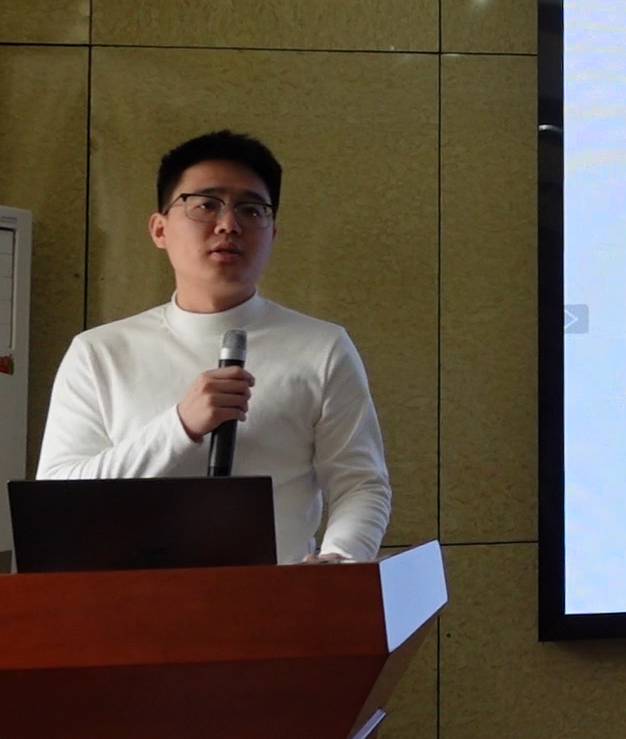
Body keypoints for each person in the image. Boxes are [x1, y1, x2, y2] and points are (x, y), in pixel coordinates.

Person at [36, 131, 390, 563]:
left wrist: (340, 559)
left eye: (251, 210)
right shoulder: (99, 353)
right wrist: (179, 427)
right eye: (206, 205)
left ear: (273, 233)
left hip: (277, 596)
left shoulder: (322, 347)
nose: (229, 225)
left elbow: (361, 484)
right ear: (160, 229)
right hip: (129, 597)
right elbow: (57, 500)